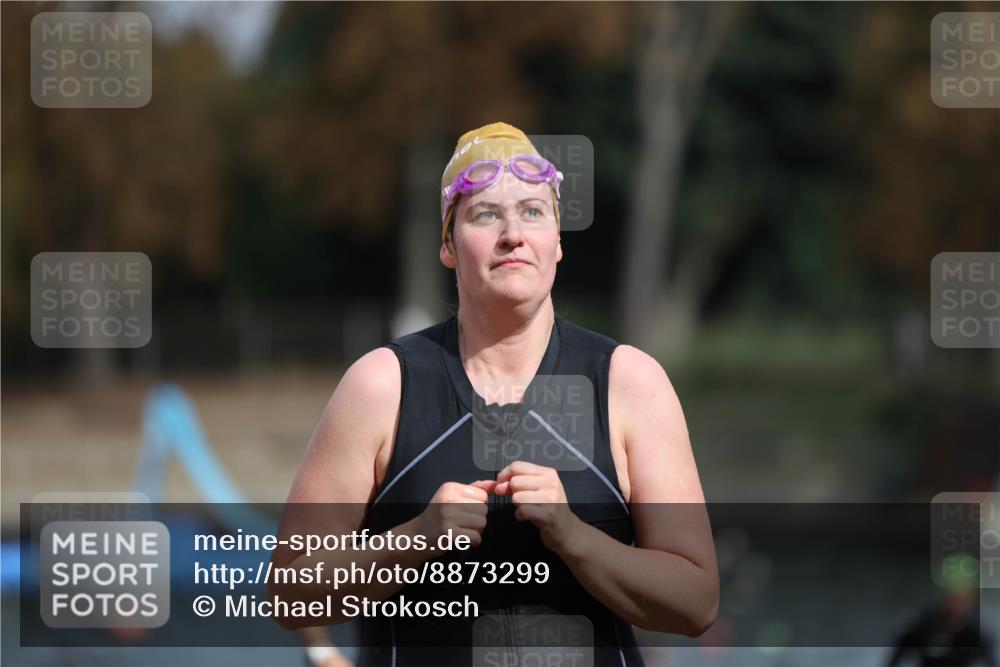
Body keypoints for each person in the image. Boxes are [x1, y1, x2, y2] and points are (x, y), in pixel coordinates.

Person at [270, 122, 719, 666]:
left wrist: (574, 537)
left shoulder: (629, 383)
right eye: (486, 214)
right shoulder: (382, 385)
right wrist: (413, 540)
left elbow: (697, 602)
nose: (513, 233)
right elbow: (290, 591)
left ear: (558, 242)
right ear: (448, 247)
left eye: (533, 211)